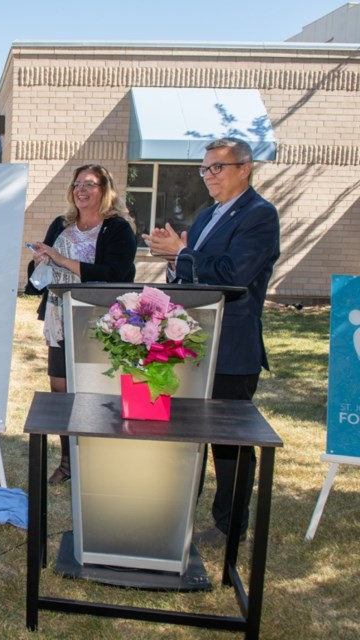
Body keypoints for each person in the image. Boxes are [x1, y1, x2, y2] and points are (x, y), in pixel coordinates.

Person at [142, 137, 280, 545]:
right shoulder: (205, 218)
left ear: (246, 168)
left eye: (217, 167)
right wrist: (173, 262)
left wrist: (182, 253)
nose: (209, 176)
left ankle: (230, 526)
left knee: (229, 445)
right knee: (185, 434)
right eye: (205, 169)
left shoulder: (259, 215)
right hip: (191, 343)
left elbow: (234, 274)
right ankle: (179, 511)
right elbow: (191, 275)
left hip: (232, 349)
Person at [29, 164, 137, 484]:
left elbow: (115, 273)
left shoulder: (117, 228)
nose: (82, 189)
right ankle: (68, 463)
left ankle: (101, 463)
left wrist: (60, 259)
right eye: (77, 184)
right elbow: (36, 280)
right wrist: (40, 263)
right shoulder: (61, 224)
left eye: (90, 184)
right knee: (61, 389)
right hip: (60, 317)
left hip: (100, 320)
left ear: (105, 189)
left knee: (96, 391)